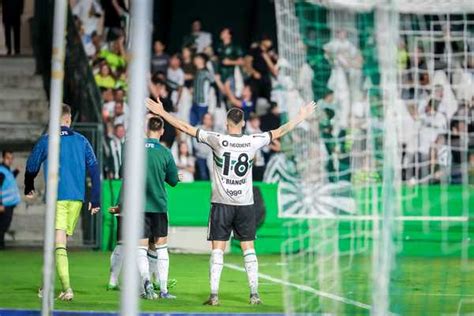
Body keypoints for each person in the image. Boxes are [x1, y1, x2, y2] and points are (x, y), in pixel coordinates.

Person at [146, 97, 316, 305]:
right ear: (243, 123)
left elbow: (185, 127)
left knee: (217, 250)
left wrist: (163, 113)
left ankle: (214, 295)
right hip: (244, 204)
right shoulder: (253, 141)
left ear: (227, 123)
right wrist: (301, 116)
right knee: (249, 249)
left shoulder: (217, 139)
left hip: (222, 204)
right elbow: (280, 131)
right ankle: (254, 294)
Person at [24, 104, 101, 301]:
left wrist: (28, 184)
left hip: (58, 196)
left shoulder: (48, 140)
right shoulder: (82, 140)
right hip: (77, 199)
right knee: (57, 242)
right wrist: (95, 198)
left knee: (58, 244)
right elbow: (94, 168)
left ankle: (67, 289)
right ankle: (46, 284)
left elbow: (32, 163)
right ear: (69, 120)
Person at [120, 116, 179, 299]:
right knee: (161, 249)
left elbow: (123, 173)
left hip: (138, 207)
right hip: (159, 206)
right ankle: (163, 290)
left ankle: (145, 280)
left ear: (146, 129)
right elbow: (173, 181)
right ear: (161, 131)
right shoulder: (165, 152)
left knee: (141, 249)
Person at [0, 150, 20, 249]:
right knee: (3, 225)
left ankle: (2, 244)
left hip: (8, 204)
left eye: (11, 158)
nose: (10, 160)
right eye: (8, 158)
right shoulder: (2, 171)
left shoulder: (6, 170)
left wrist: (15, 172)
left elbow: (8, 182)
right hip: (4, 204)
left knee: (4, 225)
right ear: (3, 158)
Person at [190, 53, 214, 126]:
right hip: (195, 101)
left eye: (197, 58)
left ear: (202, 60)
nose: (195, 60)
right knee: (193, 123)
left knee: (201, 124)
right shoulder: (197, 71)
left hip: (202, 103)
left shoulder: (206, 72)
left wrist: (208, 62)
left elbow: (212, 79)